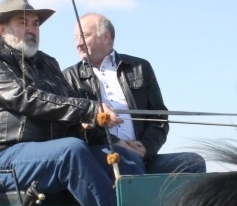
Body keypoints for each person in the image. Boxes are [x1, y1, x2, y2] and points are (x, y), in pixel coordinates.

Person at [0, 0, 145, 206]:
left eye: (35, 24)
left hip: (44, 154)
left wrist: (110, 138)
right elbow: (27, 98)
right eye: (23, 23)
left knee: (124, 158)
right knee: (70, 152)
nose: (32, 29)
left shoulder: (48, 63)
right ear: (2, 29)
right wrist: (90, 109)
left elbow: (69, 105)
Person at [64, 13, 206, 174]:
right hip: (102, 160)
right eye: (75, 38)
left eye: (85, 36)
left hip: (142, 158)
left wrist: (146, 148)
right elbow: (75, 127)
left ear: (106, 36)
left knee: (193, 162)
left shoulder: (139, 67)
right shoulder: (69, 77)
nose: (78, 44)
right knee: (125, 160)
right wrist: (117, 143)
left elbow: (158, 118)